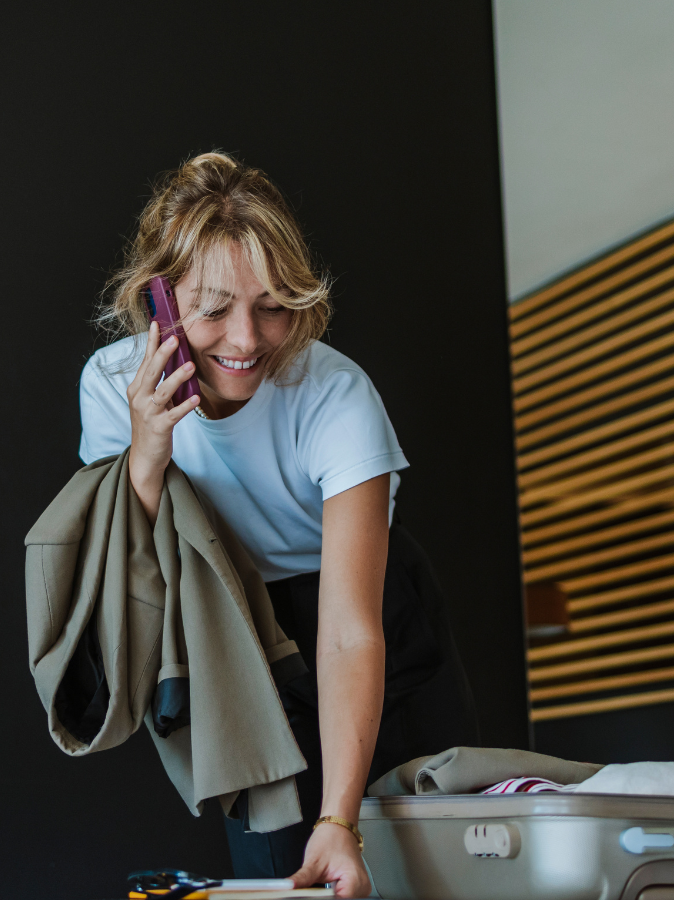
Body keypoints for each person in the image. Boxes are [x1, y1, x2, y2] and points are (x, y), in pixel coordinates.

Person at [77, 151, 475, 898]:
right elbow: (132, 575)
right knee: (284, 874)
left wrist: (340, 820)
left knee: (429, 863)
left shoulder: (335, 395)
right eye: (214, 306)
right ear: (160, 298)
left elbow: (351, 629)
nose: (248, 339)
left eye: (272, 304)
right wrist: (147, 451)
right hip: (239, 630)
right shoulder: (110, 388)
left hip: (363, 605)